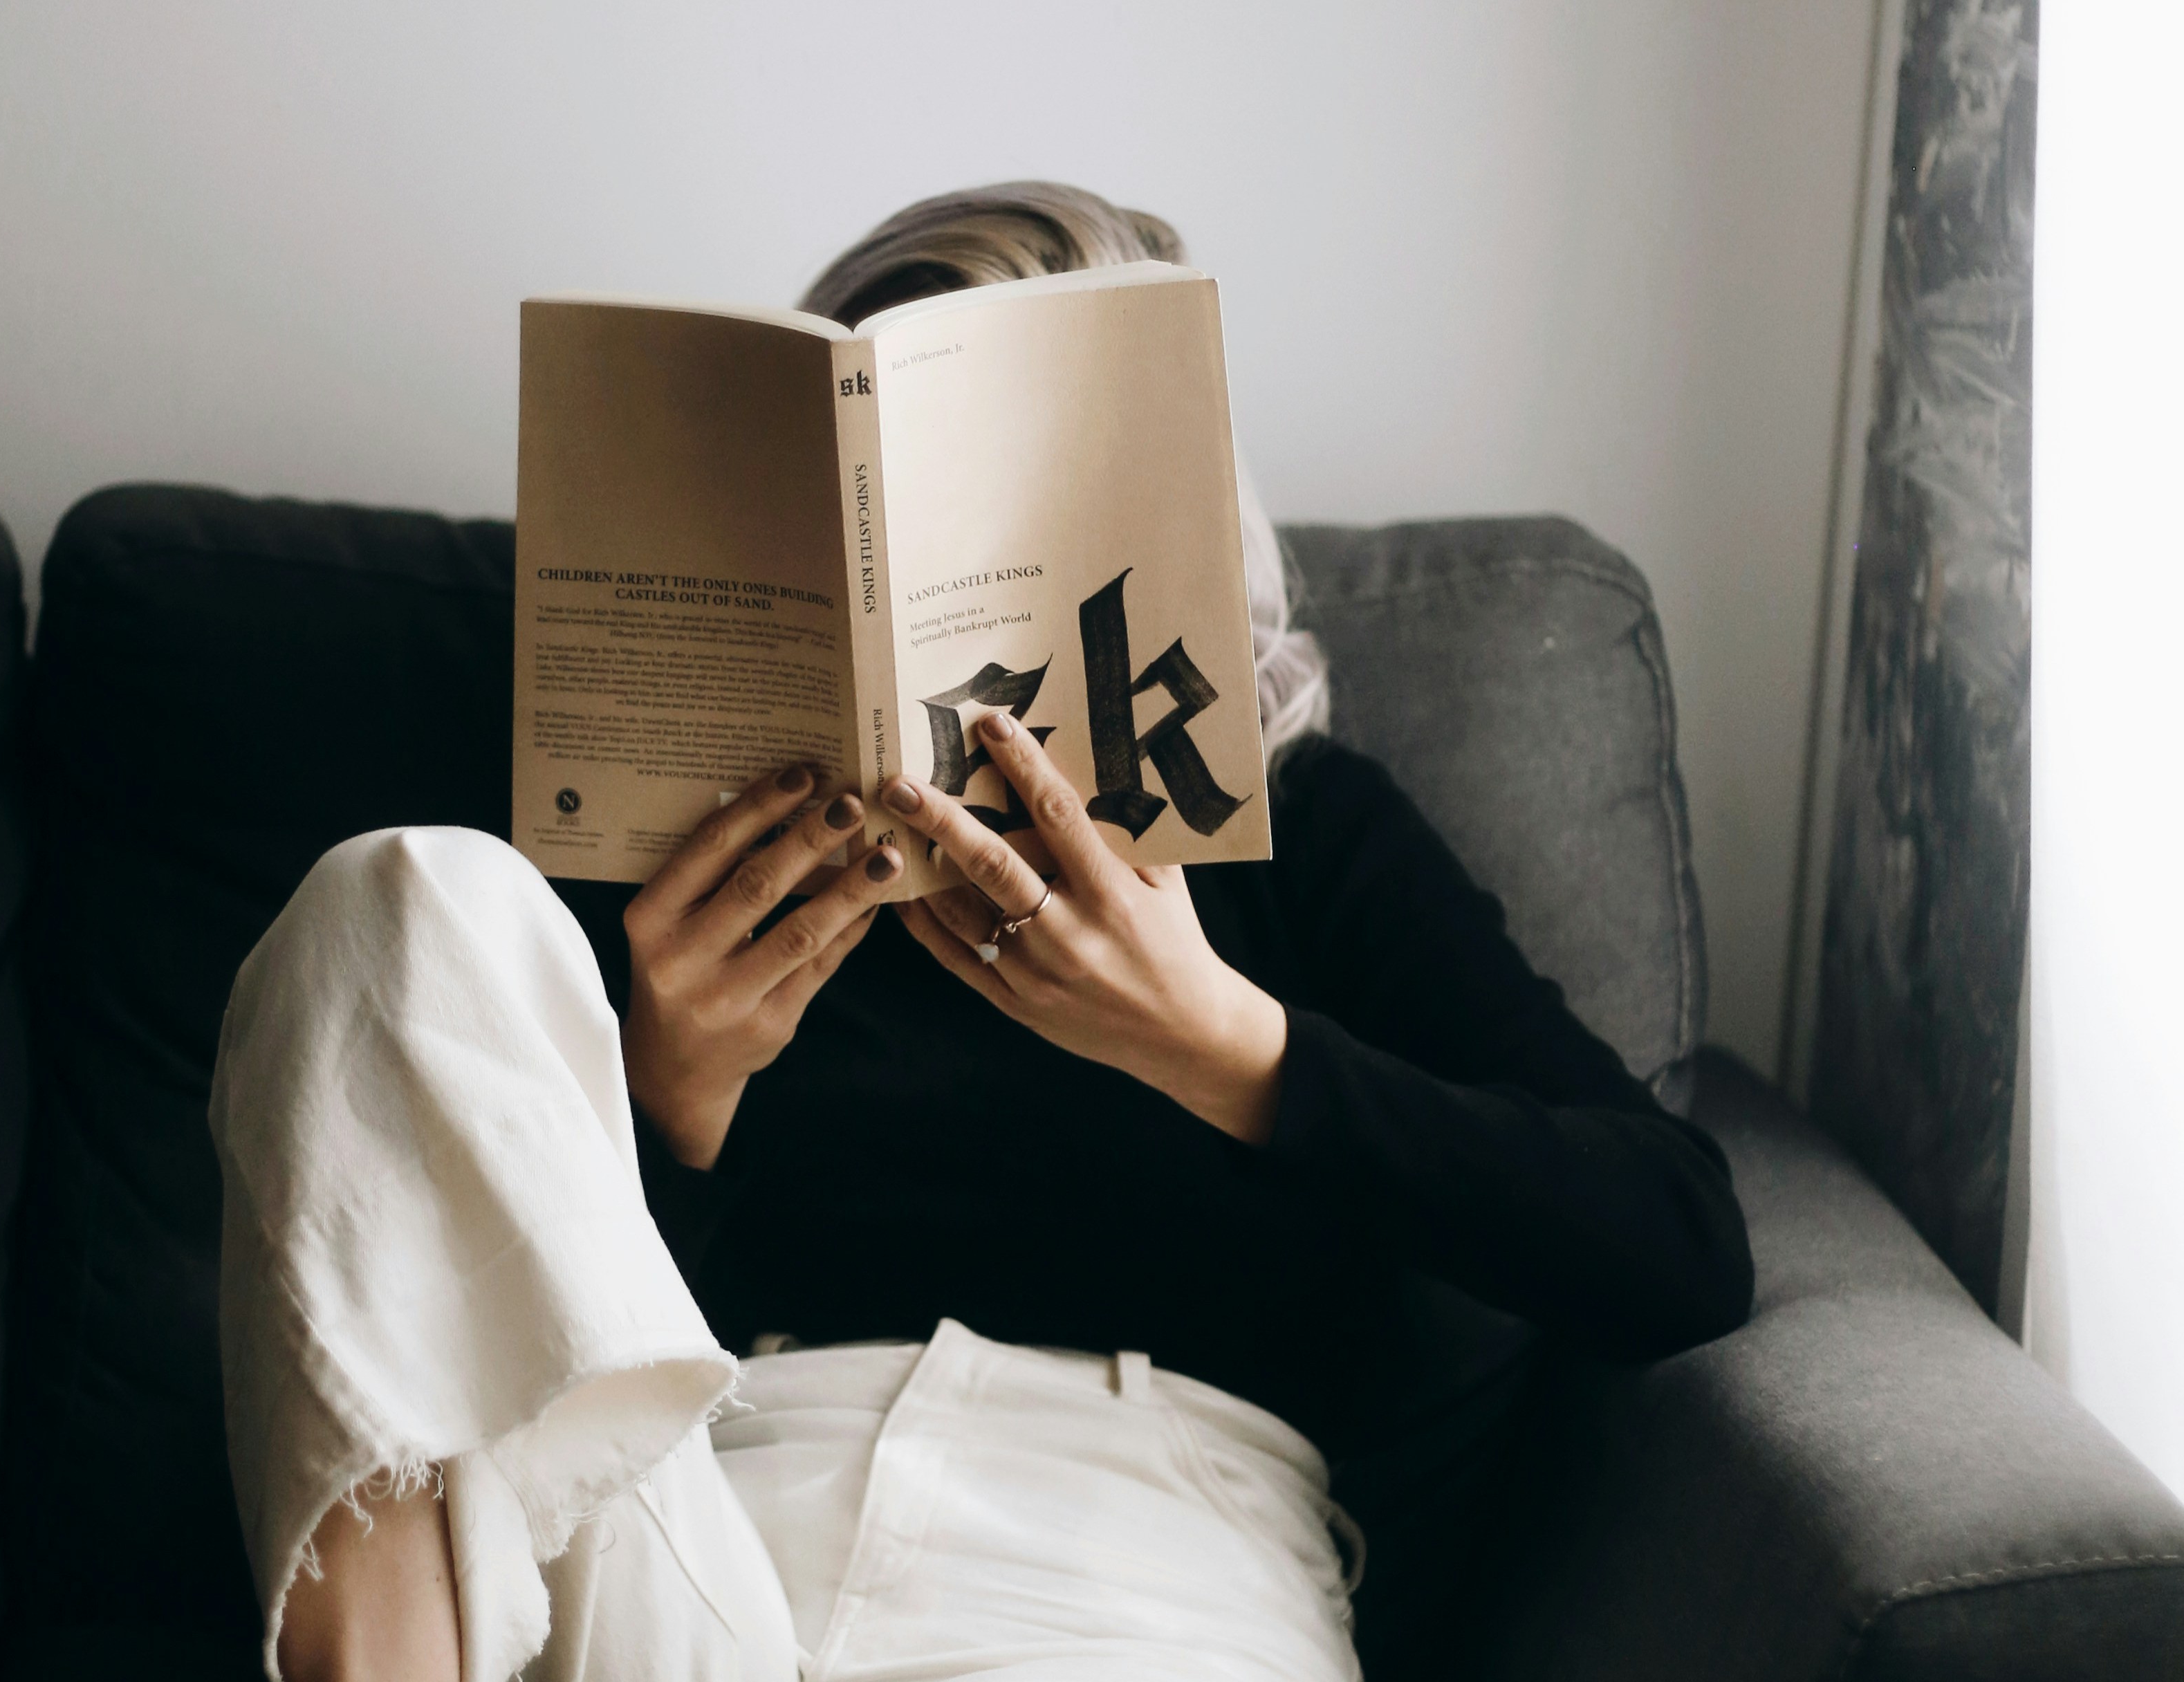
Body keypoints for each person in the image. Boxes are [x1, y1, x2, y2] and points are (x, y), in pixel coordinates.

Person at [210, 183, 1753, 1682]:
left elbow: (1675, 1251)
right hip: (710, 1534)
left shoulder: (1307, 833)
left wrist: (1222, 1043)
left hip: (1139, 1564)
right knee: (396, 895)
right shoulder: (699, 850)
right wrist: (671, 1095)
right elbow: (544, 1354)